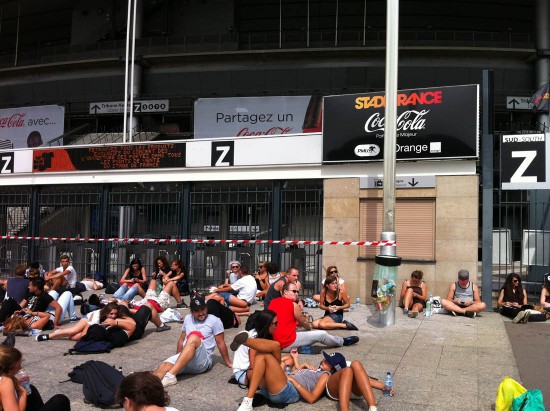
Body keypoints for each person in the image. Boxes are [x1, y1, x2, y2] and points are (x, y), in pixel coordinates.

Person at [232, 334, 391, 411]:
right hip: (279, 385)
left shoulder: (325, 376)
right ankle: (248, 400)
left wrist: (294, 381)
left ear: (334, 370)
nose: (323, 361)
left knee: (269, 353)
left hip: (288, 390)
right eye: (325, 359)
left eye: (327, 362)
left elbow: (312, 398)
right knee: (266, 354)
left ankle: (247, 342)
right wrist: (298, 363)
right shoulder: (317, 370)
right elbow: (296, 373)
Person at [152, 295, 232, 387]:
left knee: (194, 337)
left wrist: (228, 362)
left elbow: (220, 342)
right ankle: (146, 385)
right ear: (191, 312)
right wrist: (178, 357)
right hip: (187, 356)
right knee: (163, 366)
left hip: (202, 361)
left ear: (206, 308)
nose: (201, 313)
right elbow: (182, 339)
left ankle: (171, 376)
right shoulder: (188, 318)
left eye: (203, 309)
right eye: (197, 311)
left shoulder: (215, 320)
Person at [269, 282, 358, 352]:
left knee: (303, 333)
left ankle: (302, 347)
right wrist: (309, 328)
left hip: (275, 342)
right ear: (285, 292)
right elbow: (303, 322)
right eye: (294, 291)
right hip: (286, 343)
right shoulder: (293, 305)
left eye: (297, 292)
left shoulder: (273, 302)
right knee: (321, 334)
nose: (296, 294)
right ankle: (342, 341)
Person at [0, 346, 70, 411]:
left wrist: (17, 383)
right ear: (12, 366)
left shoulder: (5, 378)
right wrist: (23, 393)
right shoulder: (6, 381)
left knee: (31, 389)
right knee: (60, 400)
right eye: (19, 363)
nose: (20, 367)